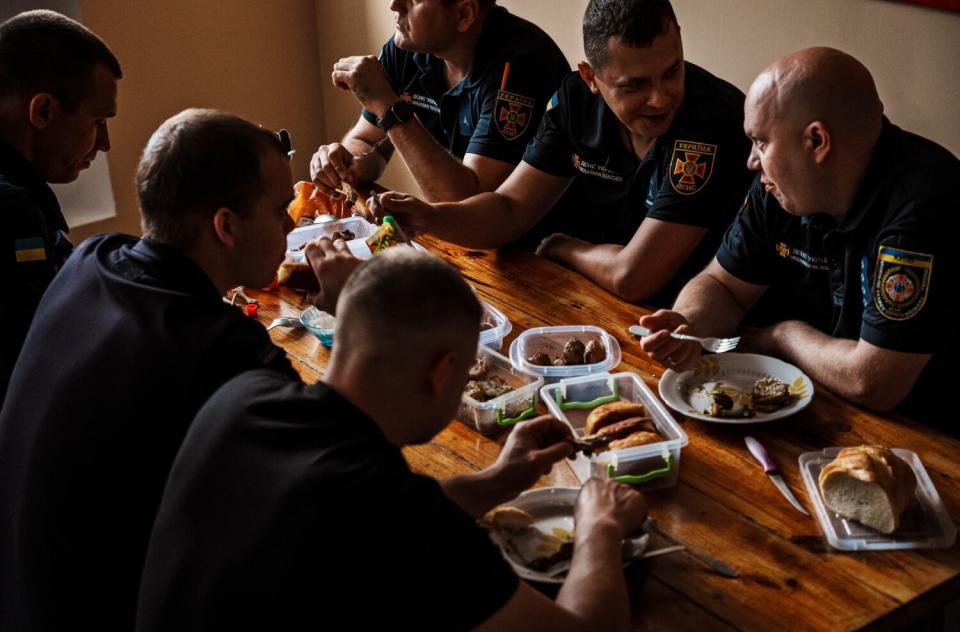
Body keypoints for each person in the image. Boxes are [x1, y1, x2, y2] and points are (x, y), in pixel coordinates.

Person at [135, 248, 647, 632]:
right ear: (445, 370)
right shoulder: (398, 519)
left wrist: (497, 481)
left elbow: (359, 521)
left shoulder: (244, 398)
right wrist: (600, 527)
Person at [0, 109, 311, 632]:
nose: (291, 226)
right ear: (226, 225)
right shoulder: (224, 353)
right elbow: (326, 483)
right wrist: (365, 312)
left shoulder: (93, 259)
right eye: (281, 211)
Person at [638, 47, 960, 430]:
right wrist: (689, 327)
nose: (751, 161)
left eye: (760, 142)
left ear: (817, 142)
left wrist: (784, 336)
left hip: (928, 437)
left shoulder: (924, 204)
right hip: (820, 404)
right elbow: (722, 285)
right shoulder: (780, 183)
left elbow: (873, 381)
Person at [370, 0, 753, 306]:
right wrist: (428, 217)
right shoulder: (573, 100)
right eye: (635, 85)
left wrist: (563, 247)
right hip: (590, 298)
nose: (661, 97)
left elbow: (633, 278)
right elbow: (507, 210)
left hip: (683, 321)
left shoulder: (711, 121)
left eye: (672, 71)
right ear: (591, 79)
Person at [310, 0, 568, 202]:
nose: (394, 5)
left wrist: (389, 107)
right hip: (473, 244)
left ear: (464, 14)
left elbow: (468, 205)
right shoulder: (408, 48)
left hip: (546, 251)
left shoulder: (522, 65)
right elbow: (366, 139)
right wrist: (349, 165)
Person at [0, 9, 120, 404]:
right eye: (97, 122)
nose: (104, 144)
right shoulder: (12, 211)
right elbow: (40, 362)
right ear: (44, 112)